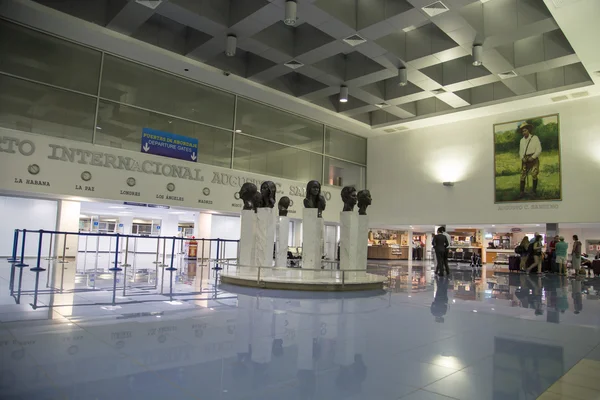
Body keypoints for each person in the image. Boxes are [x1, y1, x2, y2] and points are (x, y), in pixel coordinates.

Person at [518, 121, 542, 199]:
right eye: (522, 131)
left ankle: (534, 192)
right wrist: (522, 158)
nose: (524, 132)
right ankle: (521, 192)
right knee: (522, 175)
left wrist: (533, 157)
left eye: (525, 130)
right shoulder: (521, 140)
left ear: (528, 130)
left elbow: (539, 149)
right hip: (525, 159)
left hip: (533, 158)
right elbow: (520, 151)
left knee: (534, 174)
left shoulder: (534, 138)